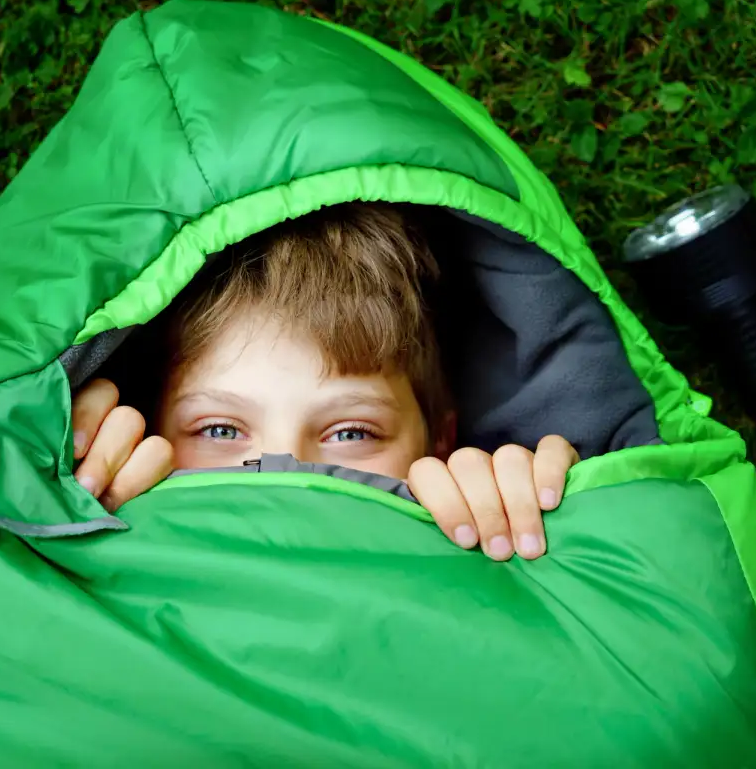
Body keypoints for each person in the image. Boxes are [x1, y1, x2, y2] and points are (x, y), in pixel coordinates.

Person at [68, 203, 579, 561]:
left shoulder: (492, 526)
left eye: (351, 432)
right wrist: (54, 490)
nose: (286, 476)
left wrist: (559, 517)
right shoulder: (97, 492)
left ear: (440, 442)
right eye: (221, 430)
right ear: (150, 429)